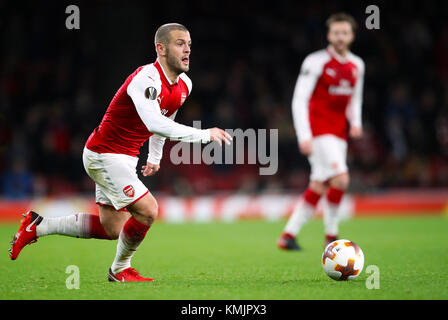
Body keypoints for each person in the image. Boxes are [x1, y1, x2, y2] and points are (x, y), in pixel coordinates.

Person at [9, 23, 232, 282]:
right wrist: (205, 135)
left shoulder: (184, 85)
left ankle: (38, 226)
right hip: (105, 154)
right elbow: (155, 123)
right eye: (180, 43)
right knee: (148, 210)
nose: (187, 50)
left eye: (189, 44)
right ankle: (120, 270)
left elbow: (165, 119)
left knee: (112, 228)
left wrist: (155, 157)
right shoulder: (146, 79)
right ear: (161, 49)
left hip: (123, 157)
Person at [277, 13, 365, 250]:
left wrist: (355, 122)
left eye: (344, 32)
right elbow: (299, 99)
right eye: (335, 32)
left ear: (352, 36)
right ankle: (332, 237)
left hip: (339, 134)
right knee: (341, 179)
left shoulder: (357, 65)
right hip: (318, 131)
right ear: (329, 35)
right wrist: (304, 135)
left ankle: (288, 236)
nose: (340, 37)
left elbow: (355, 98)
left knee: (319, 185)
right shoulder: (315, 61)